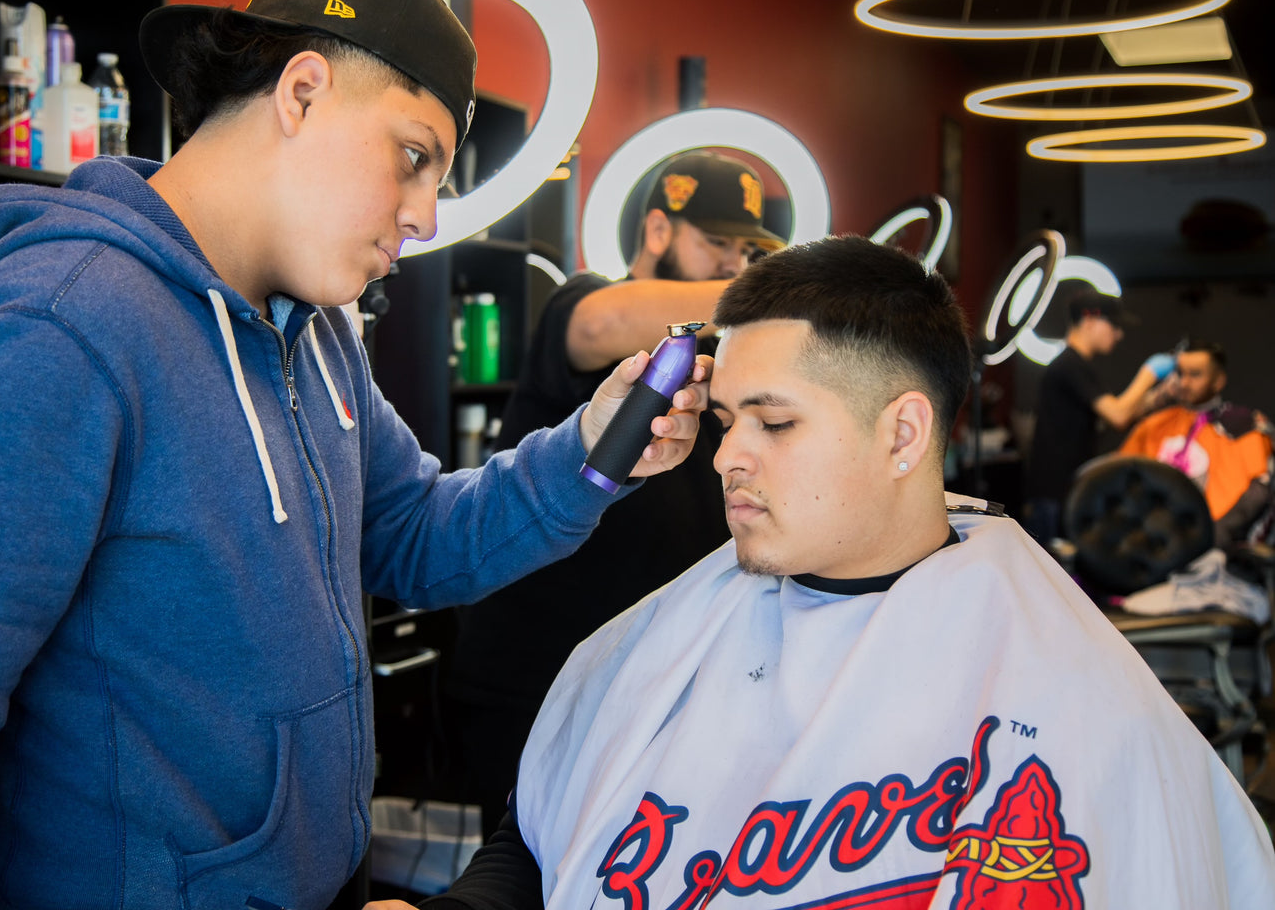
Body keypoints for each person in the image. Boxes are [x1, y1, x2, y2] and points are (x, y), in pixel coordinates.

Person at [0, 0, 715, 910]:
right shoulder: (59, 327)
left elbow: (414, 536)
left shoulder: (315, 334)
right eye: (413, 157)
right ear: (303, 93)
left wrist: (593, 453)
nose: (426, 216)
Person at [399, 236, 1275, 910]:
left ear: (903, 434)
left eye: (774, 425)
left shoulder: (1072, 690)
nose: (725, 458)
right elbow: (540, 835)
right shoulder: (676, 629)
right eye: (727, 420)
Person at [445, 152, 784, 831]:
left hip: (648, 683)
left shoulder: (723, 363)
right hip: (537, 679)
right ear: (658, 230)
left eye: (746, 250)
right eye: (716, 242)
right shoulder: (586, 306)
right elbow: (603, 323)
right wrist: (779, 298)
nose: (733, 263)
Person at [1022, 289, 1171, 543]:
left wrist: (1160, 397)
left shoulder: (1077, 365)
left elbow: (1116, 415)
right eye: (1113, 325)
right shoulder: (1070, 365)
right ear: (1089, 322)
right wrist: (1149, 373)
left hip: (1061, 492)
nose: (1119, 334)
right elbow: (1117, 414)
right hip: (1054, 496)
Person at [1118, 340, 1273, 545]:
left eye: (1195, 374)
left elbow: (1259, 489)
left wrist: (1218, 534)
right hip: (1145, 537)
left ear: (1218, 381)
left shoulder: (1242, 426)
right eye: (1181, 374)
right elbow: (1118, 476)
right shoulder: (1155, 424)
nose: (1184, 383)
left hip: (1208, 540)